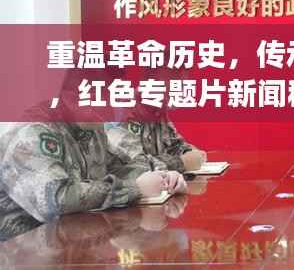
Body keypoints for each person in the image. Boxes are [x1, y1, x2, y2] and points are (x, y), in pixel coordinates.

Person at [0, 69, 187, 225]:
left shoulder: (91, 127)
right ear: (71, 97)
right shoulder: (35, 132)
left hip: (69, 236)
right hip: (21, 246)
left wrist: (164, 177)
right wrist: (134, 189)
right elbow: (57, 200)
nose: (111, 110)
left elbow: (117, 167)